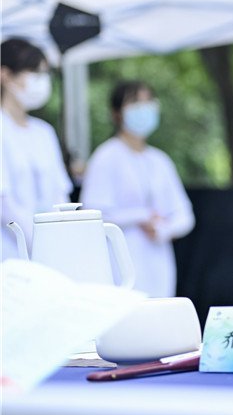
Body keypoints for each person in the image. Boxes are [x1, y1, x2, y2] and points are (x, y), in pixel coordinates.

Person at [80, 80, 194, 297]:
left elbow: (185, 214)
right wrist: (140, 216)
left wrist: (164, 229)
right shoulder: (106, 157)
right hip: (121, 261)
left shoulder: (160, 160)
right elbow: (93, 213)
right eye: (135, 102)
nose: (143, 108)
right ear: (117, 113)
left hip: (159, 262)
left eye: (148, 101)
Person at [1, 38, 73, 261]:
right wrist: (41, 243)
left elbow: (60, 195)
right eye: (34, 72)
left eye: (44, 73)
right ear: (5, 75)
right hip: (9, 256)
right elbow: (5, 204)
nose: (41, 81)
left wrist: (60, 240)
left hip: (52, 254)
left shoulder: (44, 132)